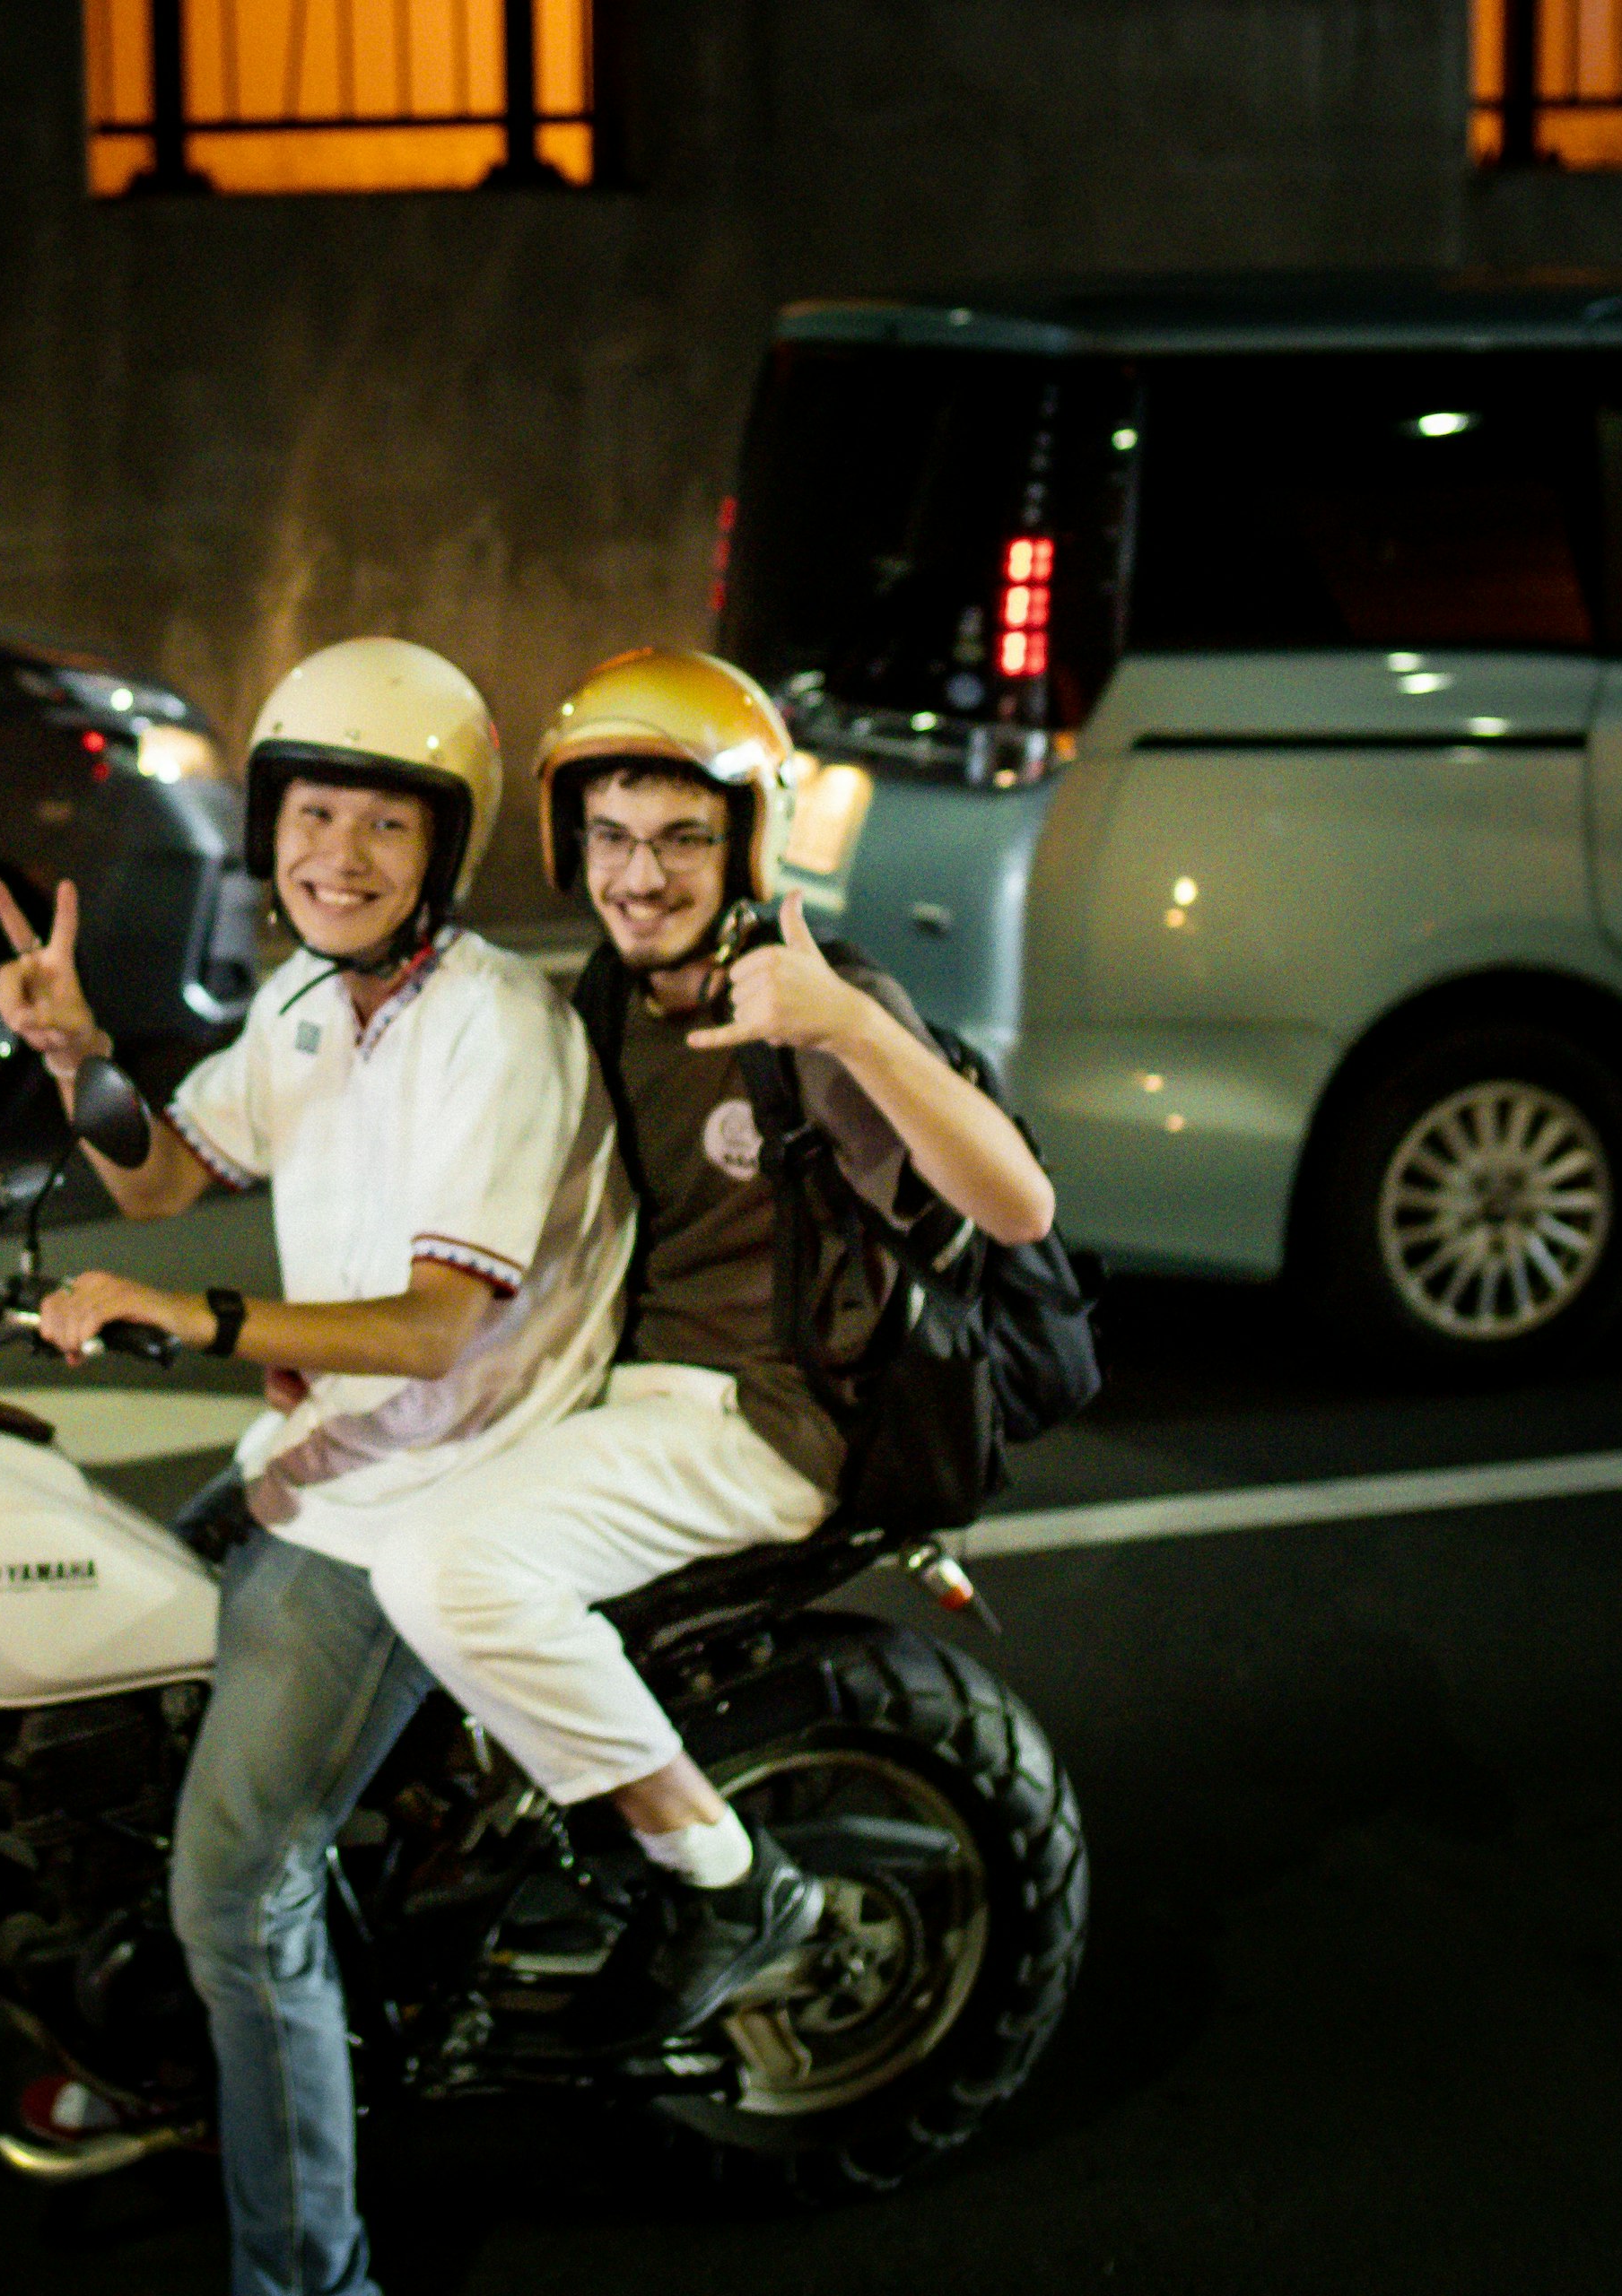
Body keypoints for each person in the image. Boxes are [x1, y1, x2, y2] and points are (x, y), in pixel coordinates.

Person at [0, 635, 627, 2296]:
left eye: (386, 827)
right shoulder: (304, 1004)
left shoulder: (494, 1029)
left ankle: (308, 2274)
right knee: (92, 1689)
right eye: (314, 814)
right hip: (324, 1452)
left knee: (232, 1889)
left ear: (442, 853)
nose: (339, 857)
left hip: (433, 1487)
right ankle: (212, 2056)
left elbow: (430, 1331)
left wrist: (193, 1316)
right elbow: (159, 1176)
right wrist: (75, 1060)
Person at [362, 647, 1059, 2039]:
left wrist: (850, 1026)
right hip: (625, 1397)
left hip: (766, 1419)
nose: (641, 875)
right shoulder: (610, 1001)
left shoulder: (805, 1002)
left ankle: (724, 1879)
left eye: (684, 839)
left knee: (443, 1567)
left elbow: (1017, 1204)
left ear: (747, 843)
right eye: (612, 837)